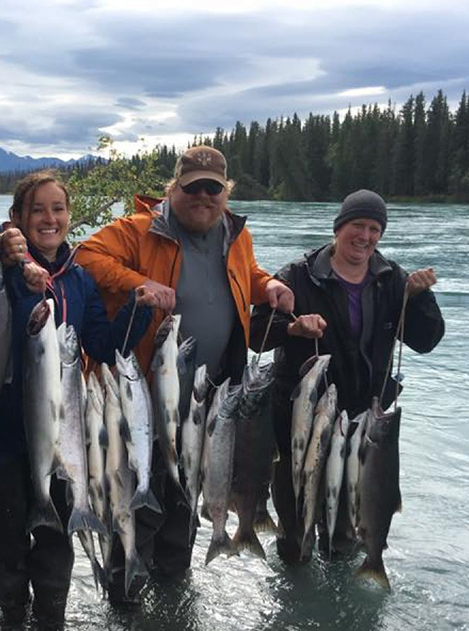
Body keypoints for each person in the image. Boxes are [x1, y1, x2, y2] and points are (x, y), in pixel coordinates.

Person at [73, 145, 294, 605]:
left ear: (225, 193)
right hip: (147, 398)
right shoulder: (138, 230)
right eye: (192, 188)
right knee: (139, 497)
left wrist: (267, 284)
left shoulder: (234, 233)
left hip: (212, 401)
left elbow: (245, 274)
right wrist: (141, 285)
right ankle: (126, 597)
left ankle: (172, 593)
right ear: (174, 189)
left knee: (187, 498)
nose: (203, 197)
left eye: (213, 189)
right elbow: (85, 256)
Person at [0, 171, 152, 624]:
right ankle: (12, 617)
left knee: (55, 542)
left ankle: (50, 623)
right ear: (17, 218)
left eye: (58, 209)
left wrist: (138, 306)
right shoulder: (0, 268)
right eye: (37, 210)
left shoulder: (81, 280)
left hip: (63, 432)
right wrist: (5, 244)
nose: (50, 219)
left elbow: (105, 346)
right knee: (0, 538)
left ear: (70, 216)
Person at [249, 189, 444, 561]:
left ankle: (344, 585)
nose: (365, 236)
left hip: (360, 425)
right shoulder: (297, 276)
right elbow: (253, 332)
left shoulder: (393, 280)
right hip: (298, 424)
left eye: (374, 229)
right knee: (294, 533)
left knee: (345, 536)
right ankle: (296, 596)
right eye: (358, 225)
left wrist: (420, 298)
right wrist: (292, 329)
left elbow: (426, 341)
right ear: (339, 228)